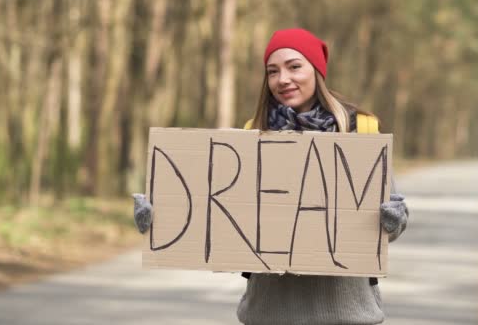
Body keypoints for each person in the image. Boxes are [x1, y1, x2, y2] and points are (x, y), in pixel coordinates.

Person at [133, 28, 409, 325]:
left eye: (294, 66)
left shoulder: (360, 131)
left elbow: (391, 226)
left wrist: (393, 219)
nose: (283, 79)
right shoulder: (251, 136)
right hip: (268, 314)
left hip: (347, 315)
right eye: (272, 71)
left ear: (316, 71)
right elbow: (213, 217)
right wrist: (159, 219)